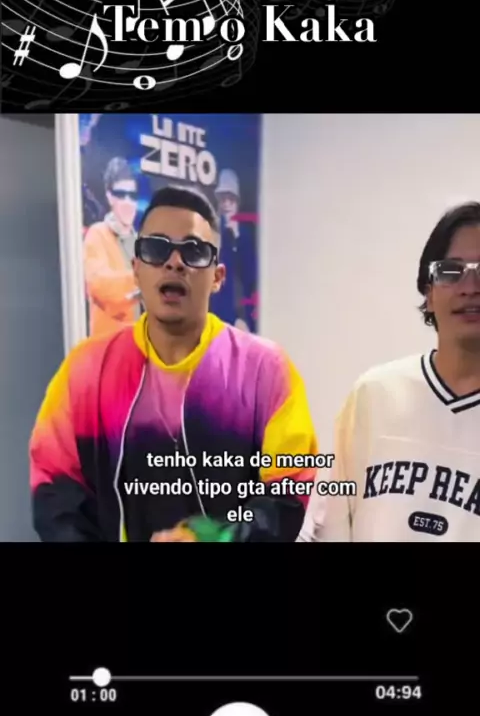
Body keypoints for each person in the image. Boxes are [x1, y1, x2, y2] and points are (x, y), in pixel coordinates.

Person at [30, 186, 317, 542]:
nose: (174, 262)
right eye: (156, 248)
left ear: (217, 277)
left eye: (194, 251)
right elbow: (55, 488)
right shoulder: (86, 371)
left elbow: (289, 491)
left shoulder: (266, 371)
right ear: (136, 269)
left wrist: (215, 538)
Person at [299, 202, 480, 542]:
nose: (470, 286)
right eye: (451, 271)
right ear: (428, 293)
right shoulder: (374, 395)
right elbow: (323, 531)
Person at [83, 157, 140, 337]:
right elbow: (100, 286)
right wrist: (144, 278)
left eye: (132, 195)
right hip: (109, 346)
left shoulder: (142, 243)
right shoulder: (97, 234)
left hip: (141, 345)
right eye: (121, 194)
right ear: (109, 197)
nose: (128, 202)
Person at [210, 169, 255, 332]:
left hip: (245, 314)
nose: (227, 204)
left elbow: (251, 275)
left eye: (231, 199)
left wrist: (237, 237)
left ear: (237, 202)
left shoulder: (245, 234)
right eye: (223, 199)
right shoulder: (213, 232)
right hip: (221, 314)